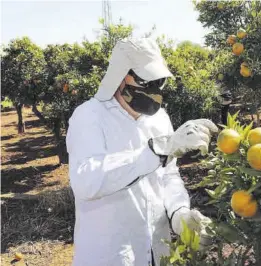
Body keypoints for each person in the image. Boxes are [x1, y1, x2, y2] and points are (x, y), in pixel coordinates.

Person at [66, 37, 217, 266]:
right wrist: (155, 150)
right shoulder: (89, 116)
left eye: (159, 82)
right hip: (111, 255)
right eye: (146, 81)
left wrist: (179, 213)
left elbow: (168, 175)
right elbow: (87, 180)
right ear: (120, 76)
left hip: (157, 251)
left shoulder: (159, 119)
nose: (154, 90)